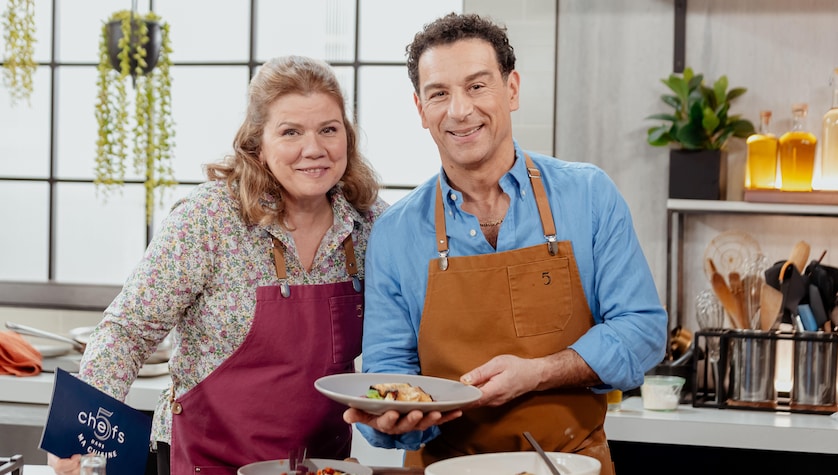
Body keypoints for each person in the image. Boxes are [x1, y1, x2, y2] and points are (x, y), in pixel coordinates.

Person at [343, 13, 667, 475]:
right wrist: (393, 419)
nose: (459, 110)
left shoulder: (589, 195)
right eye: (439, 93)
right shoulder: (395, 233)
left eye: (477, 86)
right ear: (420, 109)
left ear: (511, 89)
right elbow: (389, 374)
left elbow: (643, 330)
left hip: (569, 465)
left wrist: (539, 372)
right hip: (442, 468)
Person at [49, 55, 388, 475]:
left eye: (328, 130)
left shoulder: (371, 226)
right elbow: (127, 330)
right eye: (290, 132)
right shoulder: (209, 219)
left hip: (319, 466)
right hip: (204, 463)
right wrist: (80, 433)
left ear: (347, 139)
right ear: (257, 144)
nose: (313, 149)